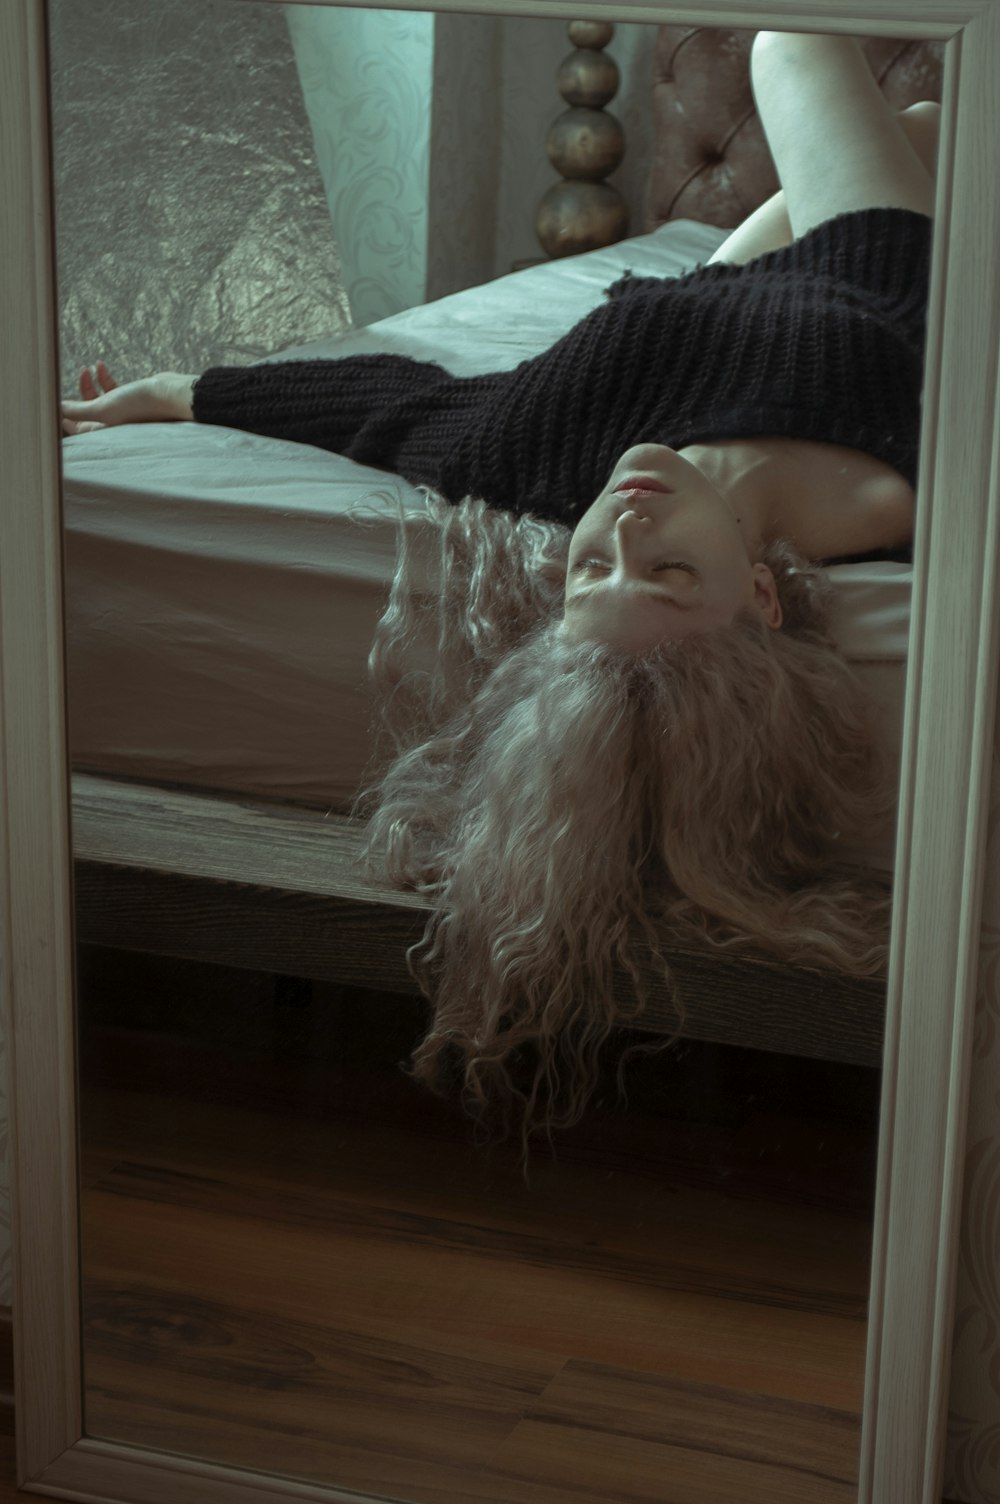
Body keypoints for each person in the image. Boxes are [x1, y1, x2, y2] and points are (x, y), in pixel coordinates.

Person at [62, 34, 940, 1143]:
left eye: (590, 566)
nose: (623, 524)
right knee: (844, 74)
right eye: (666, 569)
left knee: (851, 84)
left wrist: (180, 393)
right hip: (883, 279)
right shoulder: (901, 481)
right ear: (764, 599)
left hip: (710, 293)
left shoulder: (551, 463)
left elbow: (397, 407)